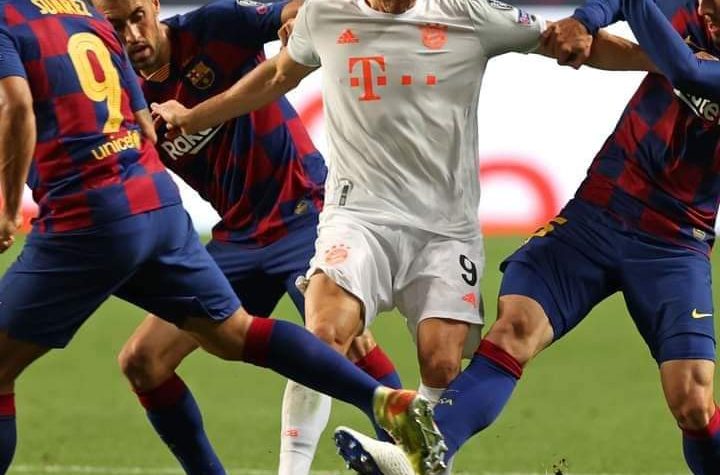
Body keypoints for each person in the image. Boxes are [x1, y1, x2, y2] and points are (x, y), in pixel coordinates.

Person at [149, 1, 655, 473]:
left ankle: (415, 464)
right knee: (324, 335)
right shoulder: (326, 13)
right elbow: (278, 75)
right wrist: (192, 116)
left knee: (441, 363)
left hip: (444, 229)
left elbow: (565, 39)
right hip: (357, 217)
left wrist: (663, 63)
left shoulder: (467, 13)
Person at [0, 1, 442, 473]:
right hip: (237, 236)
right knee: (145, 361)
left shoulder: (213, 27)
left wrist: (299, 22)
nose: (133, 35)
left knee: (340, 337)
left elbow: (293, 11)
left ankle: (409, 456)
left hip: (303, 212)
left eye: (138, 17)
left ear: (155, 6)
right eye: (118, 25)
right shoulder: (119, 81)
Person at [335, 0, 720, 473]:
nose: (704, 9)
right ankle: (417, 458)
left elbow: (687, 71)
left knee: (692, 400)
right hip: (597, 212)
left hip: (673, 242)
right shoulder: (689, 8)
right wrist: (585, 20)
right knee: (515, 327)